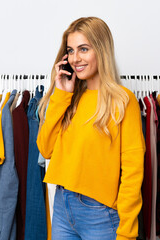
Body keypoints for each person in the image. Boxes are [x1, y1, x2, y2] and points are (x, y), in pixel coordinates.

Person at [36, 16, 146, 240]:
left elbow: (133, 173)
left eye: (83, 49)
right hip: (62, 206)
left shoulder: (123, 100)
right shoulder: (69, 98)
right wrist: (61, 94)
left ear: (101, 50)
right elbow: (45, 149)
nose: (75, 58)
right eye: (71, 50)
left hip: (100, 213)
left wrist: (126, 233)